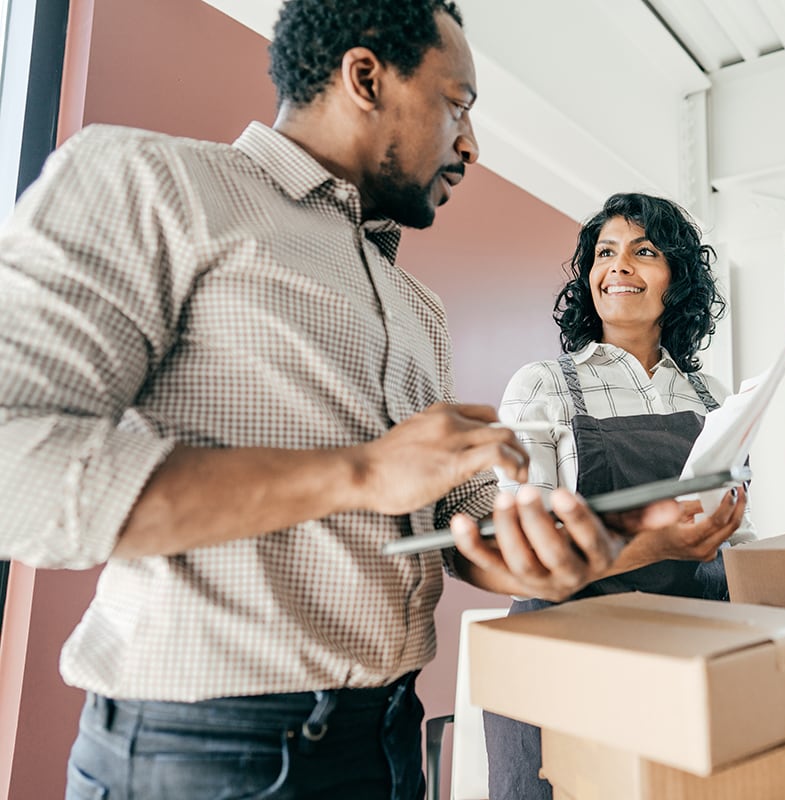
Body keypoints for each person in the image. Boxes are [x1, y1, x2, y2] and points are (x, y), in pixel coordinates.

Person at [0, 3, 685, 798]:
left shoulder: (413, 304)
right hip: (201, 756)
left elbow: (444, 528)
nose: (470, 145)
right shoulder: (148, 182)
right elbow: (17, 469)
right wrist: (360, 473)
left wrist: (552, 548)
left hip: (388, 742)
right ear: (366, 78)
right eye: (457, 104)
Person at [483, 192, 752, 800]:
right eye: (606, 252)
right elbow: (527, 556)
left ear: (676, 280)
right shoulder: (543, 385)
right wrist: (652, 544)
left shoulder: (710, 397)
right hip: (563, 656)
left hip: (682, 654)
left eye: (644, 251)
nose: (619, 265)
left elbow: (739, 540)